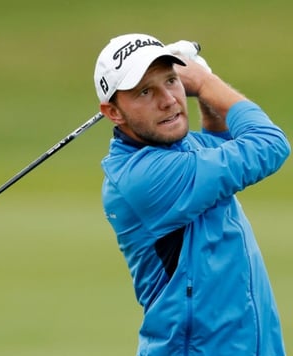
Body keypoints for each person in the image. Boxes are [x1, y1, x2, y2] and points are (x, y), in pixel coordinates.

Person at [95, 33, 289, 354]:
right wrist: (205, 82)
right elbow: (269, 145)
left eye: (171, 81)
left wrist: (207, 101)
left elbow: (226, 147)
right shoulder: (144, 177)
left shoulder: (182, 151)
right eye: (145, 91)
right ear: (114, 112)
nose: (168, 99)